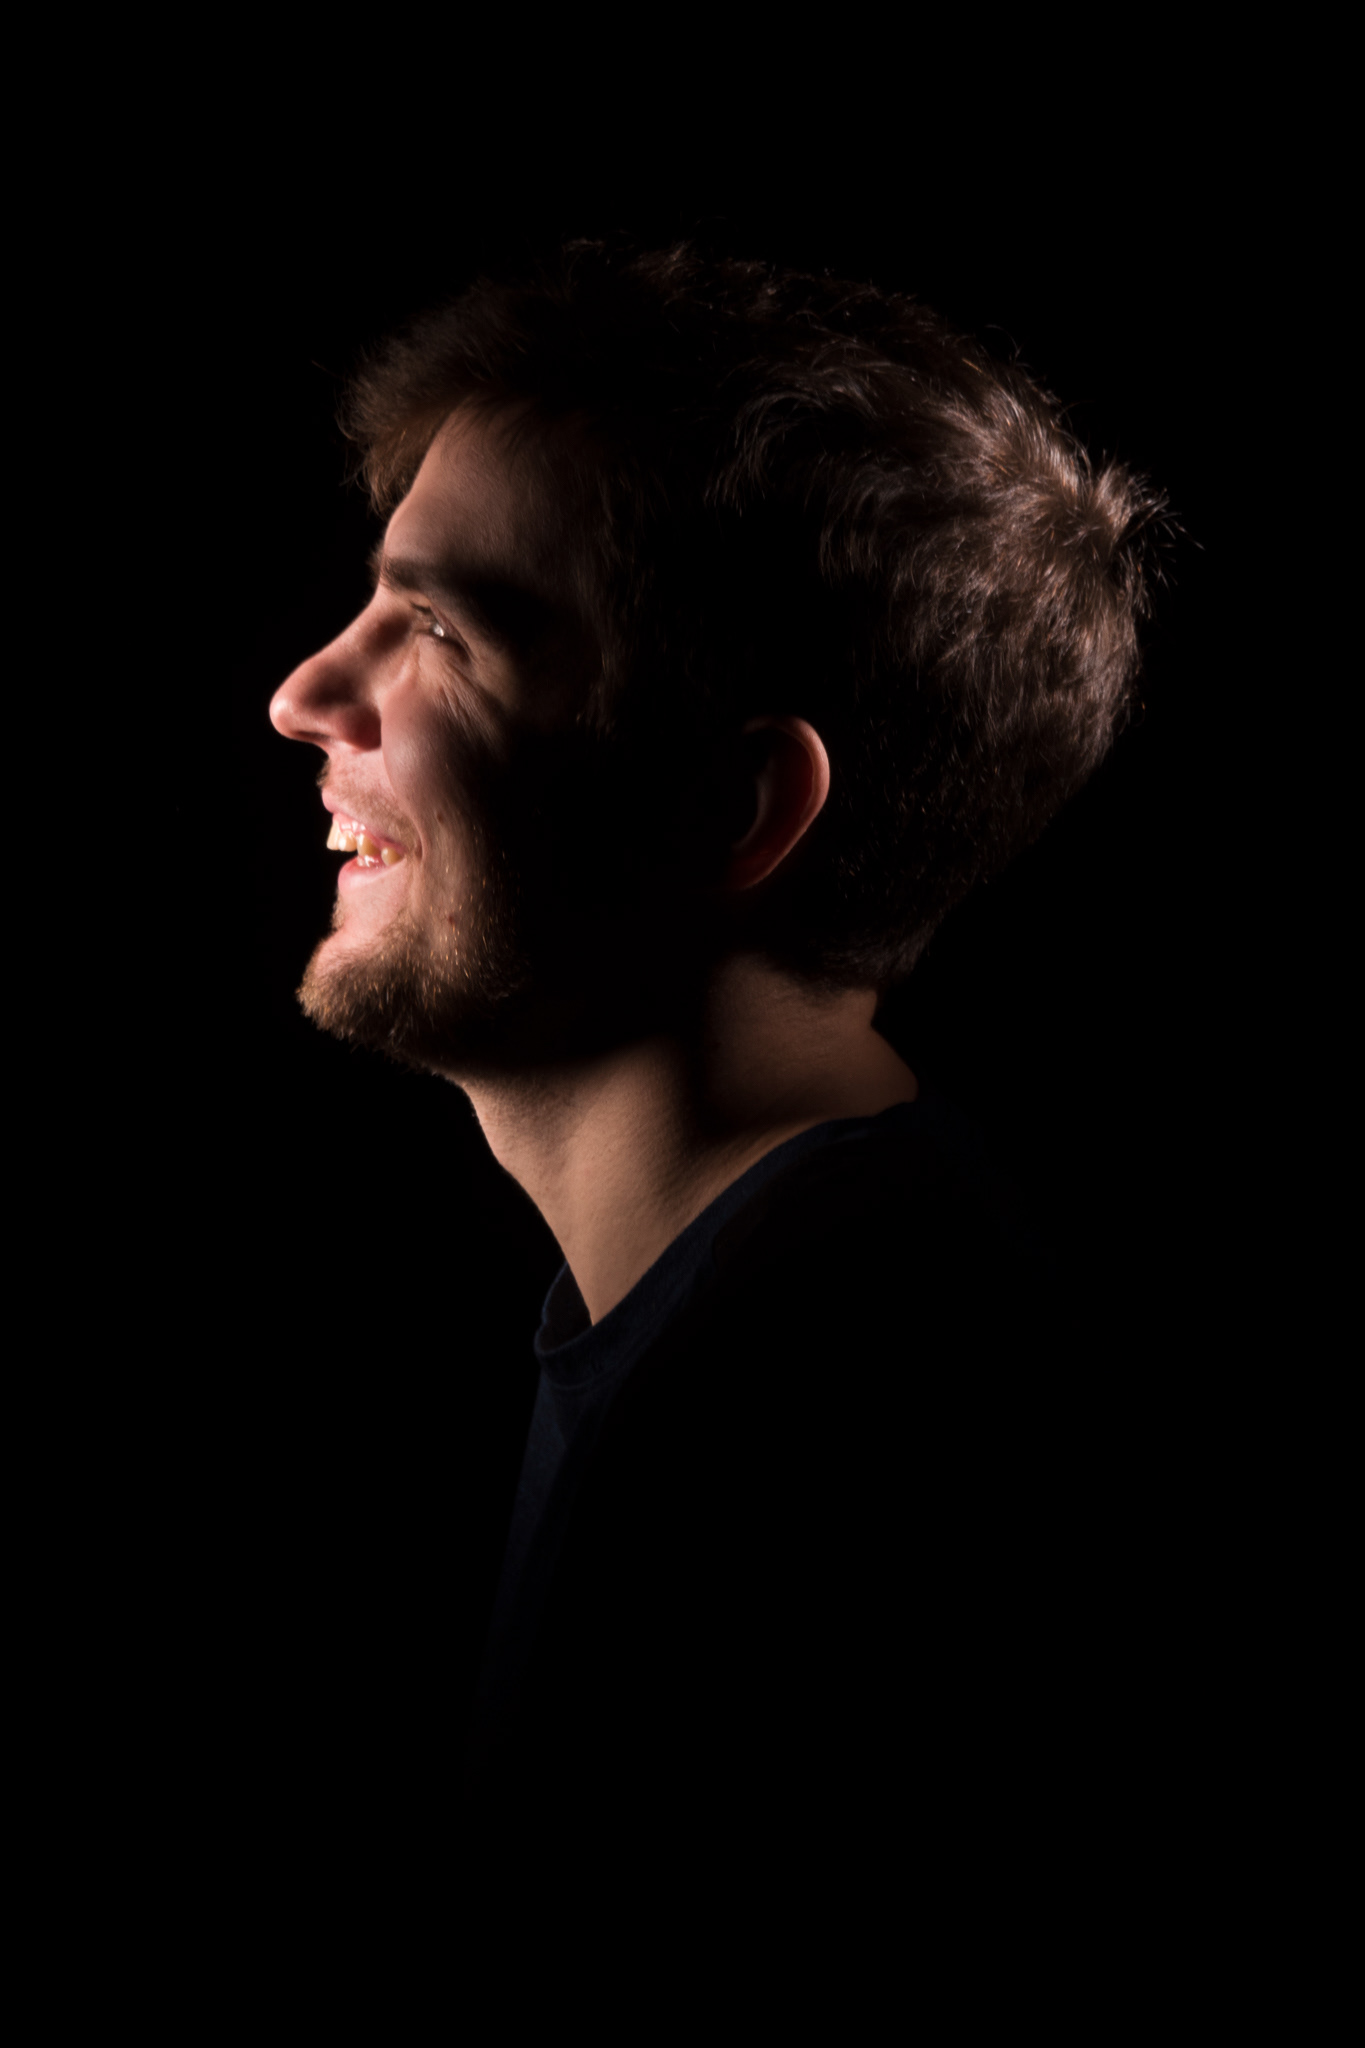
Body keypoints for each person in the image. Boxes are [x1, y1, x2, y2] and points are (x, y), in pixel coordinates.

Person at [269, 236, 1168, 1849]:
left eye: (445, 633)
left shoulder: (833, 1454)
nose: (306, 693)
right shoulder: (766, 1308)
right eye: (374, 606)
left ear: (733, 809)